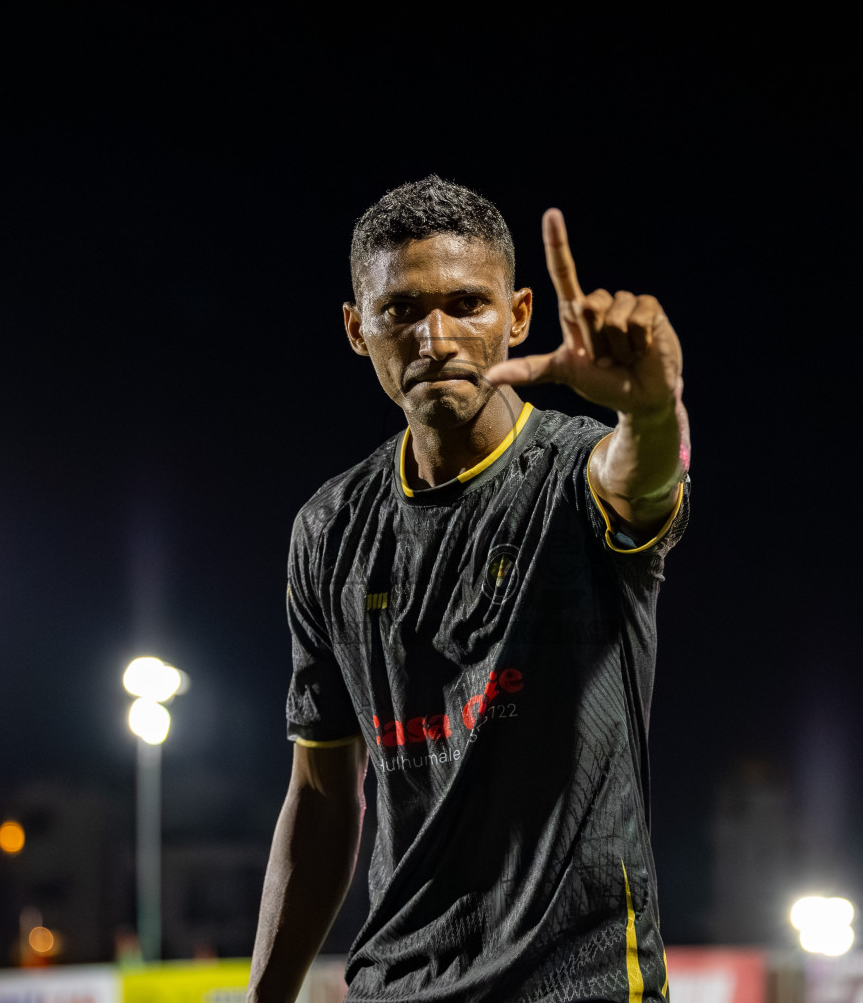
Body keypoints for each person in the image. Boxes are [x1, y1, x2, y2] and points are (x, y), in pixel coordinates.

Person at [248, 176, 691, 1002]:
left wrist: (654, 414)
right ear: (357, 328)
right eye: (401, 311)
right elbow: (319, 798)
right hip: (396, 983)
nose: (436, 337)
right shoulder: (330, 529)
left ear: (519, 315)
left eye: (468, 304)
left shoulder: (573, 473)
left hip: (581, 982)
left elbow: (642, 481)